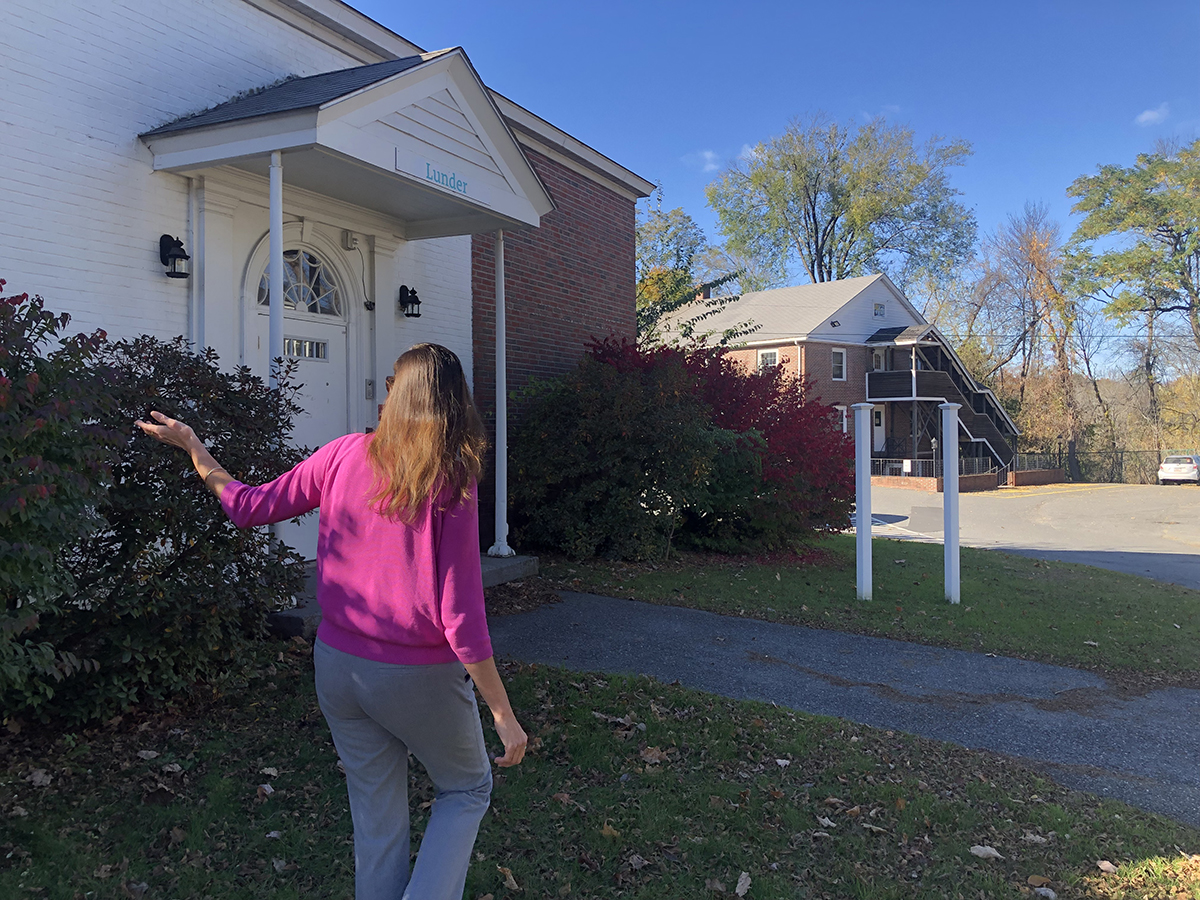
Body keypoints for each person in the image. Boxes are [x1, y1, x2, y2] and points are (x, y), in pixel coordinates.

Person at [136, 343, 526, 900]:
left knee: (376, 820)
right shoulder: (451, 478)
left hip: (339, 670)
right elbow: (460, 614)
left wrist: (194, 445)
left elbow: (247, 506)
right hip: (416, 676)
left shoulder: (343, 454)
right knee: (466, 789)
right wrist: (502, 713)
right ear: (453, 405)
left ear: (397, 398)